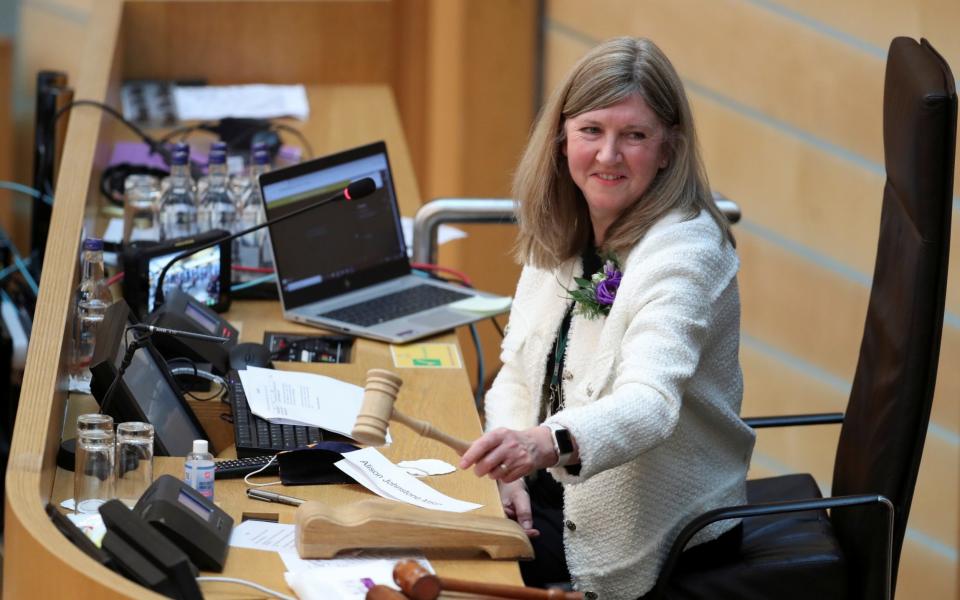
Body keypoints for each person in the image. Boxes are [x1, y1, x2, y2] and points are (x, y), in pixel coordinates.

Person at [459, 37, 756, 599]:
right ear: (562, 137)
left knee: (451, 571)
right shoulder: (567, 224)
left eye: (634, 135)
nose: (608, 155)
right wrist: (508, 472)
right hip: (549, 492)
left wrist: (541, 445)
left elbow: (651, 404)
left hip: (649, 525)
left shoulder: (687, 253)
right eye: (592, 130)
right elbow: (518, 374)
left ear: (669, 148)